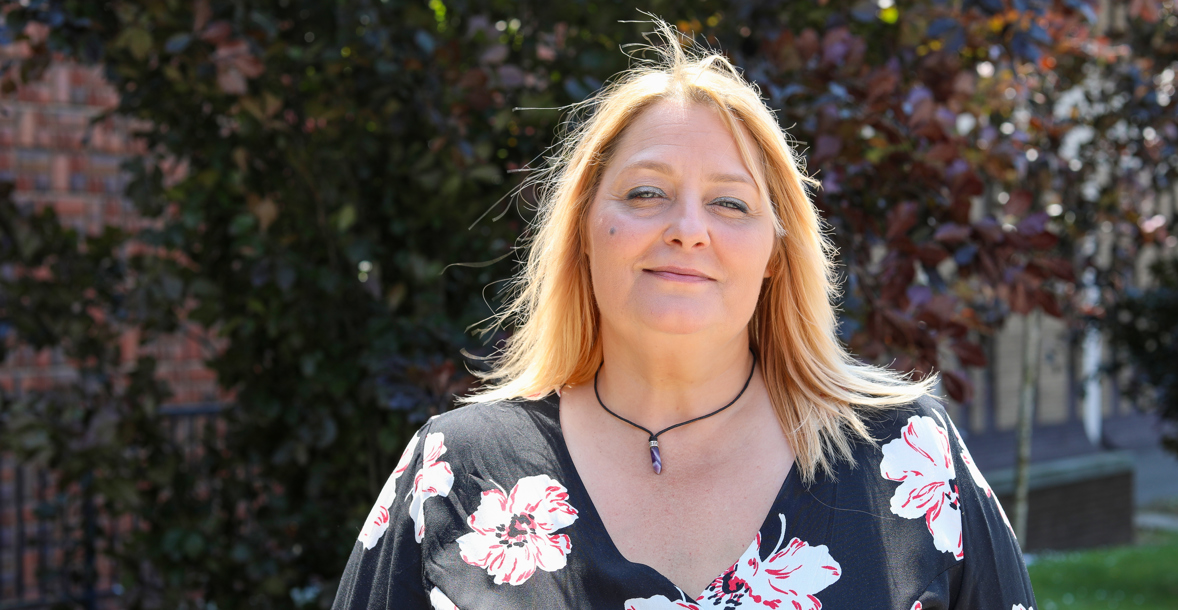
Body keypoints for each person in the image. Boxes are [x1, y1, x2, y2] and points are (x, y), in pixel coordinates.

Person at [333, 22, 1035, 610]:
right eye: (645, 193)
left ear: (773, 254)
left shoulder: (905, 458)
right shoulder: (456, 471)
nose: (687, 228)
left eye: (730, 203)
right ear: (583, 228)